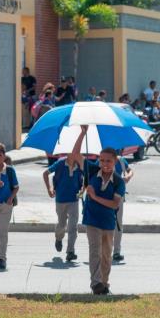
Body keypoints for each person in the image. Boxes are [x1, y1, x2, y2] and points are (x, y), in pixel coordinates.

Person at [69, 126, 125, 295]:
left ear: (115, 161)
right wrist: (82, 133)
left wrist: (94, 196)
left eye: (108, 161)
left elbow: (115, 205)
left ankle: (105, 282)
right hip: (92, 220)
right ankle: (96, 284)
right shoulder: (92, 170)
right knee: (95, 253)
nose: (104, 164)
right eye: (101, 160)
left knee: (106, 256)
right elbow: (75, 155)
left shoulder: (118, 181)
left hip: (108, 222)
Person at [43, 153, 83, 262]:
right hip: (60, 199)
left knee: (73, 226)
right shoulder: (60, 163)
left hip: (74, 199)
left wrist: (83, 190)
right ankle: (58, 238)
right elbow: (45, 173)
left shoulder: (80, 164)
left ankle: (70, 251)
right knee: (62, 223)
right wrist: (49, 189)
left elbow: (87, 179)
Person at [112, 155, 133, 262]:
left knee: (118, 223)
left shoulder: (121, 160)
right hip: (105, 196)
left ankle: (116, 251)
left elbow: (130, 170)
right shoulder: (102, 160)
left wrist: (128, 176)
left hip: (119, 195)